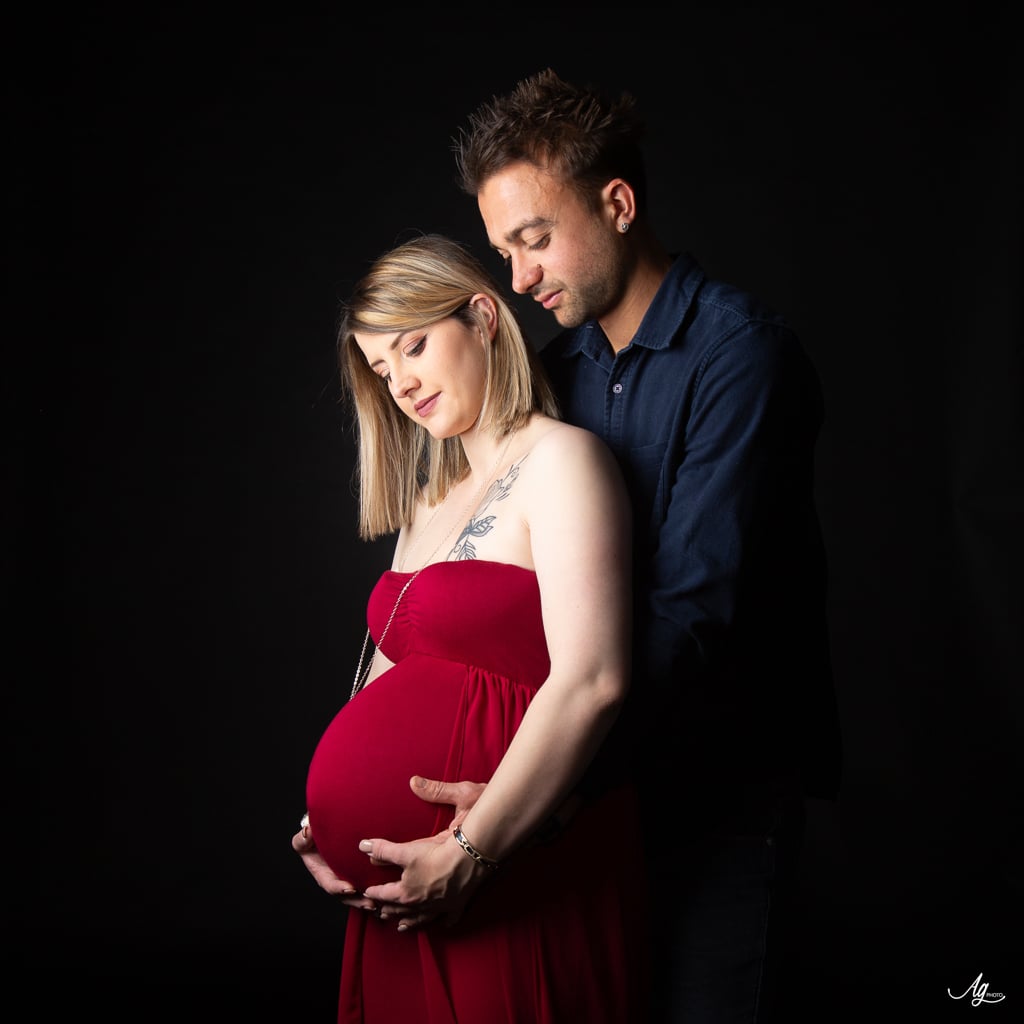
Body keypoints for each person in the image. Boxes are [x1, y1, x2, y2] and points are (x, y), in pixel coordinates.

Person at [348, 70, 844, 1023]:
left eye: (535, 240)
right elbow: (472, 560)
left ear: (617, 204)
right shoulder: (554, 373)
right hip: (576, 802)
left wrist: (523, 805)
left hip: (716, 795)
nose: (521, 276)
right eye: (503, 251)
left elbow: (693, 614)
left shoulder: (741, 356)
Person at [293, 233, 649, 1023]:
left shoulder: (564, 463)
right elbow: (387, 681)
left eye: (413, 346)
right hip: (398, 891)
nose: (403, 382)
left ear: (483, 316)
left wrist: (470, 851)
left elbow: (594, 680)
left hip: (505, 869)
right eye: (382, 371)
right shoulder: (424, 504)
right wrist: (332, 819)